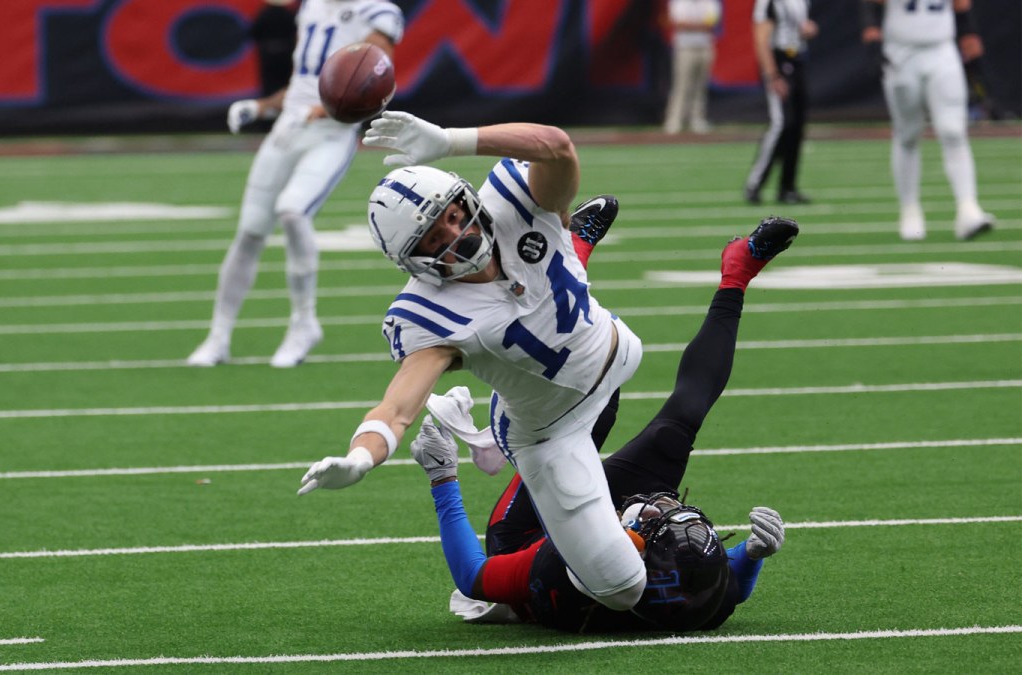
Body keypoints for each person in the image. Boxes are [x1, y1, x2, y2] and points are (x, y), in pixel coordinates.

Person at [296, 106, 796, 612]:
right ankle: (575, 242)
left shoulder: (511, 200)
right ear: (415, 261)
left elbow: (555, 144)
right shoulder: (426, 316)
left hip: (609, 350)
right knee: (622, 588)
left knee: (540, 267)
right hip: (551, 427)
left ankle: (574, 237)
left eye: (451, 214)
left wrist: (449, 139)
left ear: (463, 196)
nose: (456, 233)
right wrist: (361, 457)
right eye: (434, 238)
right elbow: (398, 407)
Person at [409, 214, 797, 632]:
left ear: (632, 545)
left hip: (531, 535)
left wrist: (442, 476)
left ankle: (571, 253)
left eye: (658, 515)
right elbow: (717, 586)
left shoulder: (564, 565)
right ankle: (737, 272)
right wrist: (751, 556)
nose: (667, 502)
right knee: (677, 426)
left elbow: (473, 577)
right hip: (628, 542)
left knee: (591, 400)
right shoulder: (697, 600)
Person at [187, 0, 405, 368]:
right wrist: (262, 107)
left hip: (330, 134)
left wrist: (332, 107)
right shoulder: (312, 7)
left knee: (292, 211)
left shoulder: (377, 11)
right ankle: (218, 336)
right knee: (250, 231)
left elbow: (374, 78)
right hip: (288, 127)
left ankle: (304, 322)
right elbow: (301, 83)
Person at [860, 0, 994, 241]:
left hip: (942, 50)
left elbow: (961, 4)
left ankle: (968, 209)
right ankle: (910, 210)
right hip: (901, 51)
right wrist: (872, 31)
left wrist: (968, 31)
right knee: (908, 133)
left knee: (953, 130)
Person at [744, 0, 816, 206]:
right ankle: (754, 183)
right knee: (781, 124)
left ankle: (788, 187)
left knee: (797, 127)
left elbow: (794, 28)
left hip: (797, 59)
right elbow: (761, 37)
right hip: (779, 61)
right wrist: (773, 74)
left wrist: (806, 29)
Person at [663, 0, 722, 136]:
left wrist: (691, 25)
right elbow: (678, 24)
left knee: (700, 85)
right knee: (682, 84)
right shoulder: (679, 2)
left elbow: (711, 23)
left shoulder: (709, 2)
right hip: (684, 47)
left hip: (705, 45)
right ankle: (674, 120)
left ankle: (697, 119)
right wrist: (699, 25)